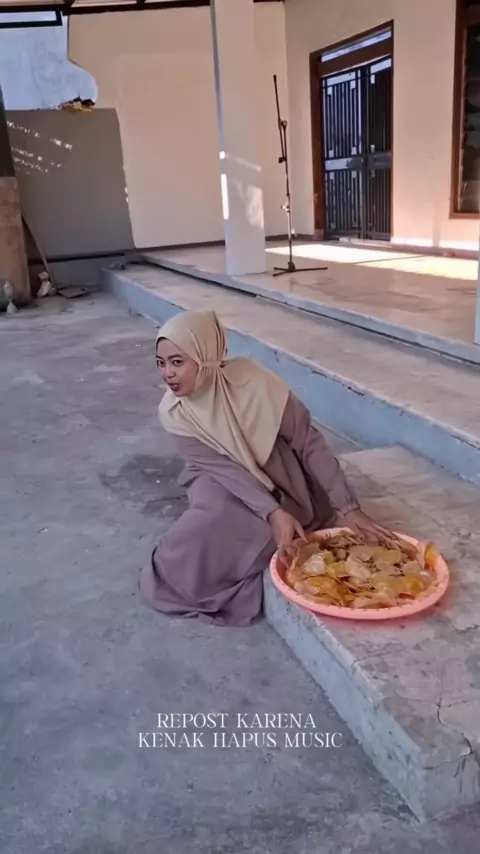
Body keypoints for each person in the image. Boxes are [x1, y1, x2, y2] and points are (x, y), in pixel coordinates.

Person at [139, 310, 390, 627]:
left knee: (275, 526)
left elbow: (308, 443)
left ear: (206, 356)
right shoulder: (174, 411)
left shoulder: (254, 383)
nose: (168, 374)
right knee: (208, 519)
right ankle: (179, 581)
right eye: (161, 363)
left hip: (277, 470)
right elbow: (223, 468)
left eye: (177, 362)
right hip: (217, 475)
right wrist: (271, 511)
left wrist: (349, 506)